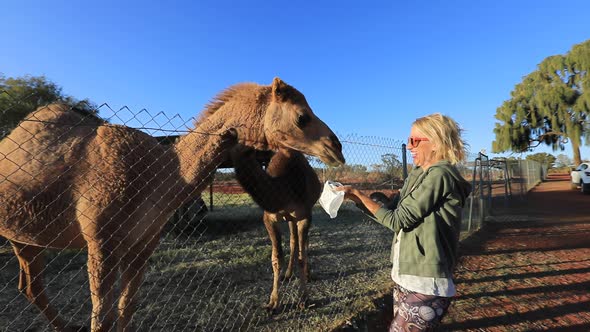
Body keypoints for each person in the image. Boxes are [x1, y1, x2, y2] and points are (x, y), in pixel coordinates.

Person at [336, 113, 472, 331]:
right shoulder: (418, 174)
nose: (409, 147)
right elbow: (391, 211)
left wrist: (359, 195)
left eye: (414, 141)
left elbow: (397, 220)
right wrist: (355, 198)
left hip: (427, 282)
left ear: (436, 143)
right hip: (405, 275)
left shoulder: (441, 175)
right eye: (409, 141)